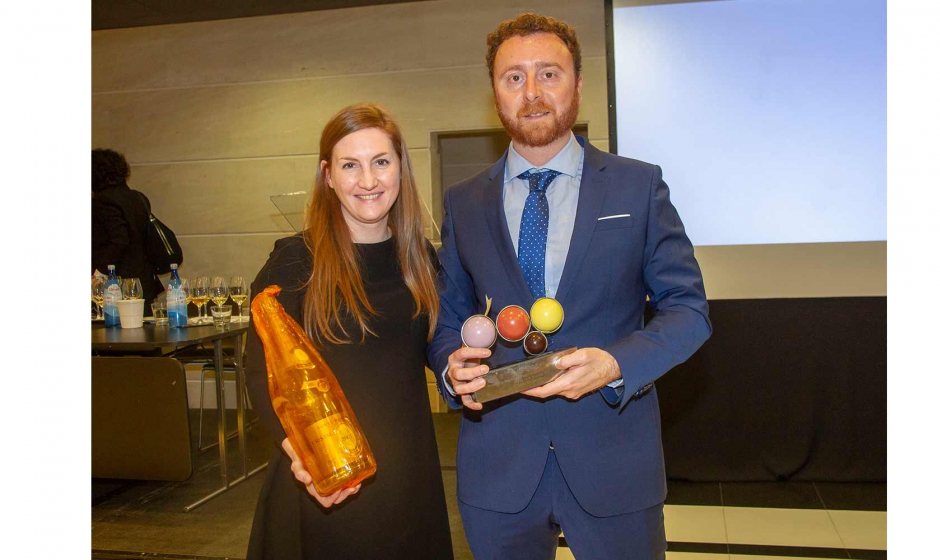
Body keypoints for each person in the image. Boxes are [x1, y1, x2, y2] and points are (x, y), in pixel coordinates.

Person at [426, 13, 712, 560]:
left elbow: (688, 310)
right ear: (495, 93)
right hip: (498, 471)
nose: (531, 93)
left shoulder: (638, 184)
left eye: (548, 74)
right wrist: (449, 367)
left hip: (614, 462)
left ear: (579, 85)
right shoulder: (464, 202)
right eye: (513, 78)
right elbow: (446, 318)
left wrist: (615, 363)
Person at [244, 103, 454, 560]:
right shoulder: (295, 262)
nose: (369, 180)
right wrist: (306, 459)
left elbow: (434, 345)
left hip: (409, 477)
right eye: (350, 165)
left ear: (401, 166)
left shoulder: (419, 257)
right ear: (328, 175)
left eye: (381, 161)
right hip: (325, 482)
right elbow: (260, 376)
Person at [92, 148, 165, 315]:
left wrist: (98, 274)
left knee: (113, 337)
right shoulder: (138, 197)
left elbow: (119, 240)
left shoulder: (103, 201)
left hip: (117, 286)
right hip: (143, 282)